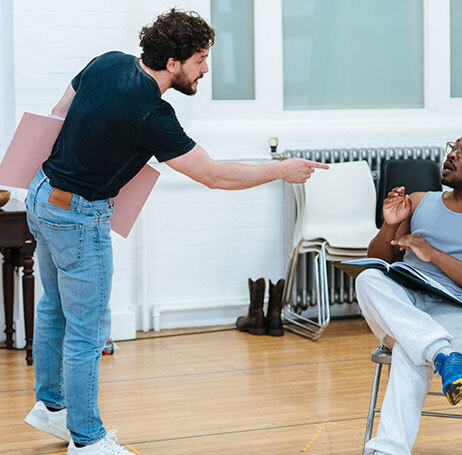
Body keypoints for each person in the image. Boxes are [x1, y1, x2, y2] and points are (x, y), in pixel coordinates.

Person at [22, 9, 327, 455]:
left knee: (54, 309)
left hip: (41, 195)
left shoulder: (107, 60)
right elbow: (214, 176)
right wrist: (280, 169)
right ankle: (86, 440)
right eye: (200, 59)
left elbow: (59, 113)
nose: (206, 69)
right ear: (173, 63)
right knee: (89, 331)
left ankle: (51, 409)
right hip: (79, 218)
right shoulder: (152, 114)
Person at [356, 127, 462, 455]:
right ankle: (446, 357)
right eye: (453, 147)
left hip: (458, 316)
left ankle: (387, 450)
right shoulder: (419, 202)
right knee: (366, 279)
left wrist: (434, 254)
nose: (451, 155)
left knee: (411, 348)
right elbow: (379, 261)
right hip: (406, 306)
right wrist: (390, 224)